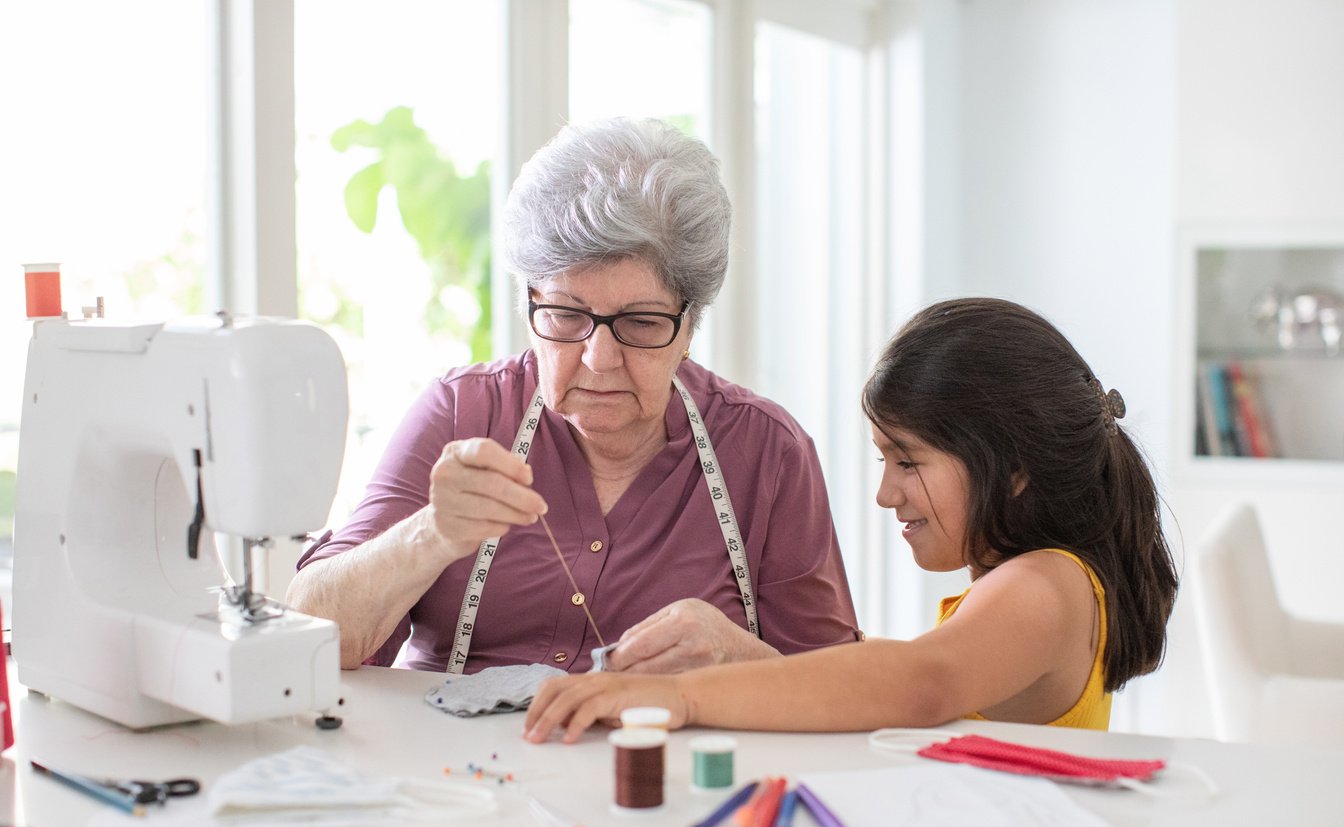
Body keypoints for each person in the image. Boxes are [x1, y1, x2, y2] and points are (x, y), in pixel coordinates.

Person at [285, 117, 860, 675]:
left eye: (639, 322)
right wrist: (433, 532)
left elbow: (838, 690)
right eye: (565, 315)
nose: (598, 359)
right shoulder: (462, 413)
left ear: (689, 326)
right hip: (456, 769)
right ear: (528, 305)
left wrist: (742, 661)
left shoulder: (766, 452)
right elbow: (309, 637)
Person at [523, 298, 1179, 741]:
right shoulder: (1033, 581)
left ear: (1012, 467)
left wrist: (685, 699)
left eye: (908, 461)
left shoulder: (1045, 587)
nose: (886, 494)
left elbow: (921, 684)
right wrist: (753, 659)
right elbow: (899, 690)